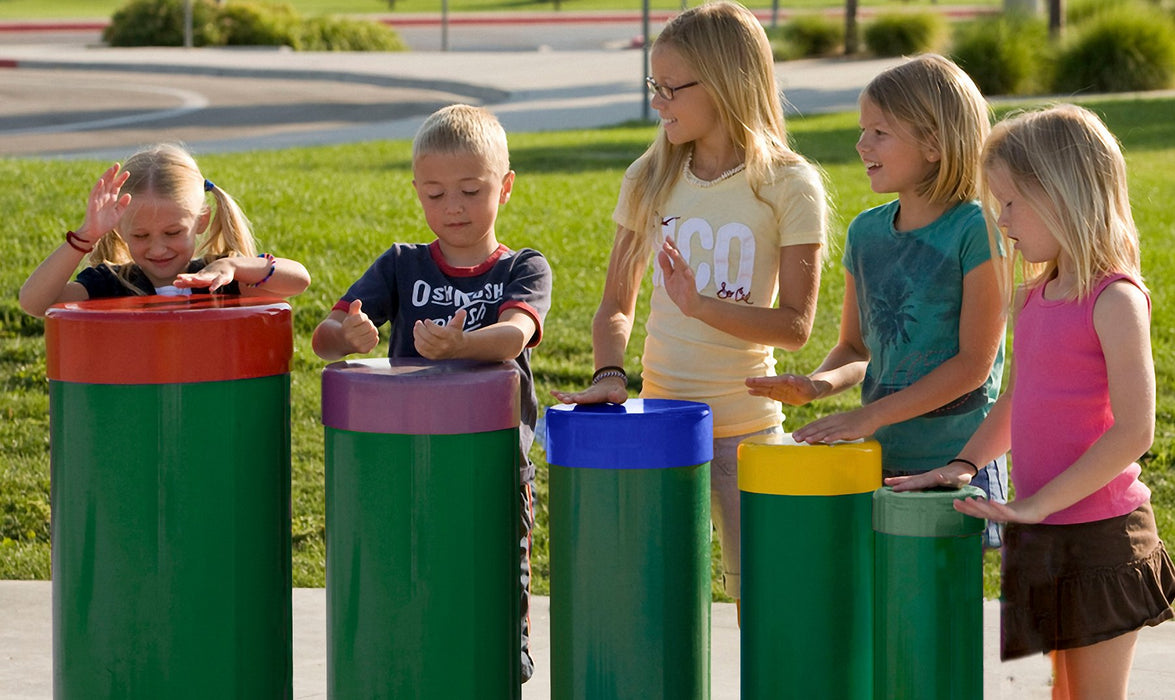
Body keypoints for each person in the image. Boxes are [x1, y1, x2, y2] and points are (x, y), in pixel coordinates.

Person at [551, 0, 828, 611]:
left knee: (766, 606)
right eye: (654, 85)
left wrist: (699, 305)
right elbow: (614, 309)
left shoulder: (789, 182)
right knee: (655, 606)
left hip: (747, 434)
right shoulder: (649, 177)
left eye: (670, 88)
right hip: (660, 430)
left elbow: (794, 327)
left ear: (727, 81)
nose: (658, 103)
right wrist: (607, 374)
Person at [890, 104, 1175, 699]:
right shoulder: (1033, 297)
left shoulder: (1114, 300)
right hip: (1043, 532)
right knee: (1063, 692)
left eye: (1012, 202)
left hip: (1100, 535)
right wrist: (962, 467)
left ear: (1064, 196)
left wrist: (1039, 504)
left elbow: (1134, 433)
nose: (1002, 219)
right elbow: (1017, 405)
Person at [311, 103, 552, 683]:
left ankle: (504, 651)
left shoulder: (524, 267)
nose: (453, 208)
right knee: (410, 573)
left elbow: (515, 335)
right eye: (435, 193)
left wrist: (458, 346)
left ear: (506, 187)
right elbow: (323, 338)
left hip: (492, 463)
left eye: (471, 190)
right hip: (403, 463)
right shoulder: (400, 265)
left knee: (496, 564)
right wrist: (346, 334)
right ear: (416, 191)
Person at [744, 53, 1008, 547]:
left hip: (959, 458)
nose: (861, 143)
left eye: (880, 132)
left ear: (934, 143)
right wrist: (818, 385)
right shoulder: (866, 233)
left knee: (941, 607)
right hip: (878, 459)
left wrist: (867, 417)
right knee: (886, 603)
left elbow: (975, 364)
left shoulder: (977, 230)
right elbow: (855, 350)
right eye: (863, 130)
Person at [19, 143, 310, 317]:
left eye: (173, 233)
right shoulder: (110, 285)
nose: (158, 249)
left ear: (201, 221)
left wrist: (234, 264)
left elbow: (299, 280)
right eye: (141, 236)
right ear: (120, 229)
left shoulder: (219, 280)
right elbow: (35, 303)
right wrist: (86, 236)